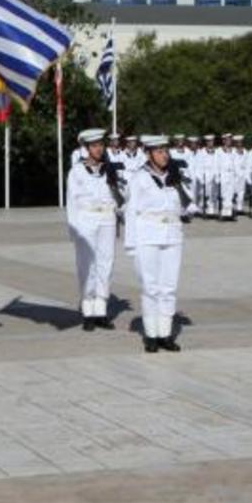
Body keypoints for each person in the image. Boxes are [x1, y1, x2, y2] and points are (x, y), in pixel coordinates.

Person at [123, 135, 192, 353]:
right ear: (149, 154)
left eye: (166, 151)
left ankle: (165, 333)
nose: (164, 155)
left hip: (172, 235)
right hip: (148, 236)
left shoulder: (173, 176)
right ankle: (151, 335)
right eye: (159, 151)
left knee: (169, 287)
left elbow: (189, 208)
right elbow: (131, 212)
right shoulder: (139, 178)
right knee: (151, 287)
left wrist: (180, 187)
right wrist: (131, 245)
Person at [66, 128, 123, 330]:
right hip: (86, 220)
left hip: (107, 219)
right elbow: (72, 202)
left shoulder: (109, 169)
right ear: (87, 148)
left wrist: (119, 215)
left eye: (101, 145)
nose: (99, 149)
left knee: (105, 264)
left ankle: (101, 309)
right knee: (86, 265)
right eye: (94, 146)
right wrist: (74, 230)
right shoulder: (77, 171)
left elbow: (120, 197)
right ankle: (88, 308)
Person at [216, 133, 239, 221]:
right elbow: (216, 164)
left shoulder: (234, 151)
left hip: (231, 175)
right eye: (227, 139)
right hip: (223, 174)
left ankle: (231, 213)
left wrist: (236, 175)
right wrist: (217, 176)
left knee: (231, 194)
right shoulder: (219, 151)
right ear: (223, 140)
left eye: (230, 139)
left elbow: (236, 164)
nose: (229, 141)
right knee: (223, 195)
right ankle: (223, 213)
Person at [196, 135, 218, 217]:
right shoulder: (201, 152)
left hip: (214, 175)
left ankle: (212, 210)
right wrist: (201, 178)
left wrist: (217, 176)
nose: (210, 143)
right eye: (208, 141)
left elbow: (218, 164)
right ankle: (203, 210)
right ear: (206, 142)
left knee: (214, 193)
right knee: (204, 194)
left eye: (211, 141)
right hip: (205, 175)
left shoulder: (217, 152)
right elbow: (198, 167)